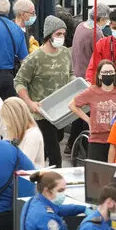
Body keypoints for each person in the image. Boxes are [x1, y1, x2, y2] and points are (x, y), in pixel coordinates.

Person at [14, 15, 73, 168]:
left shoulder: (66, 53)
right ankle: (55, 181)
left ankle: (40, 168)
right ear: (49, 35)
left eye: (63, 34)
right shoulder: (34, 58)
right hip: (41, 112)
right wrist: (30, 103)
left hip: (61, 111)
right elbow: (19, 81)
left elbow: (70, 73)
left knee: (54, 142)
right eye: (58, 34)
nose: (61, 37)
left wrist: (76, 83)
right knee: (54, 153)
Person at [64, 3, 110, 154]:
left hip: (77, 74)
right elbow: (101, 57)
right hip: (89, 79)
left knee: (78, 114)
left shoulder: (81, 26)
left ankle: (71, 145)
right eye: (106, 19)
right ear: (102, 18)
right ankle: (82, 147)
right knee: (86, 115)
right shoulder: (96, 34)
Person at [69, 60, 116, 162]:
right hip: (96, 140)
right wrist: (88, 120)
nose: (108, 75)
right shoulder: (92, 91)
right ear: (99, 76)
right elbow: (72, 105)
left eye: (110, 72)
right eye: (105, 73)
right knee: (96, 174)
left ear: (115, 74)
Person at [21, 171, 90, 230]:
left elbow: (58, 209)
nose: (63, 194)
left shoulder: (34, 201)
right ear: (47, 191)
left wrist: (83, 209)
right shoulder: (47, 218)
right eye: (60, 190)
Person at [0, 97, 45, 167]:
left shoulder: (32, 135)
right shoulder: (14, 131)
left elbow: (25, 165)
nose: (6, 124)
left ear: (14, 118)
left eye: (7, 119)